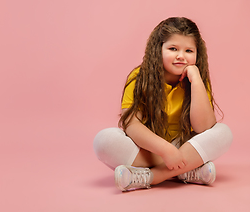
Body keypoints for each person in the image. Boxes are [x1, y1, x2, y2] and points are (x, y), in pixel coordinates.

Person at [93, 17, 233, 192]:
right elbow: (131, 125)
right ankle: (186, 170)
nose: (181, 56)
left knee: (223, 133)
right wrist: (166, 151)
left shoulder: (197, 80)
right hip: (149, 149)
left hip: (182, 145)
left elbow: (203, 127)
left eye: (189, 50)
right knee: (104, 140)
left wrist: (196, 79)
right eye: (173, 49)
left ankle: (150, 176)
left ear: (198, 53)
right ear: (158, 50)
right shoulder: (139, 77)